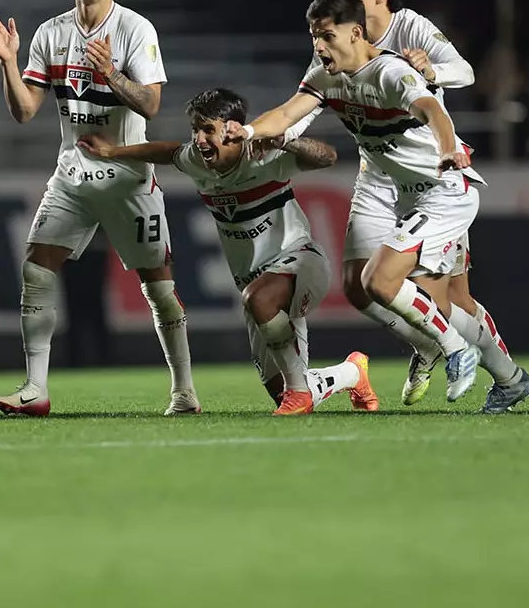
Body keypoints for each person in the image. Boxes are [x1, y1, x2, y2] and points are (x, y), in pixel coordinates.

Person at [237, 0, 529, 414]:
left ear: (356, 32)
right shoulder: (327, 75)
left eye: (325, 36)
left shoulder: (391, 72)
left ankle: (453, 350)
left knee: (385, 283)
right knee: (372, 285)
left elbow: (433, 109)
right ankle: (509, 378)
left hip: (444, 191)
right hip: (398, 194)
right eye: (313, 37)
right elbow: (286, 114)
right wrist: (247, 133)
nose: (318, 46)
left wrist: (450, 149)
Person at [0, 0, 198, 416]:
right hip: (73, 175)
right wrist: (8, 64)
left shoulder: (136, 30)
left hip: (128, 176)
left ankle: (184, 391)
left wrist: (112, 76)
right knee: (36, 268)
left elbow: (152, 104)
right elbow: (24, 111)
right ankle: (35, 389)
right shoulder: (51, 34)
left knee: (160, 289)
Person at [286, 0, 513, 406]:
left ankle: (502, 374)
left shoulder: (410, 27)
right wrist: (270, 135)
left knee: (441, 301)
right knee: (361, 284)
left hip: (430, 169)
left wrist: (432, 70)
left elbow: (464, 72)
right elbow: (302, 106)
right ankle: (432, 346)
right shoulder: (333, 43)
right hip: (377, 170)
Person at [78, 87, 378, 415]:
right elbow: (167, 152)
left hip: (300, 262)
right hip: (255, 283)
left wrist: (282, 140)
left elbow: (326, 157)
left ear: (233, 129)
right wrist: (113, 152)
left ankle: (300, 392)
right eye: (196, 129)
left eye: (209, 129)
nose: (200, 139)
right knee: (281, 391)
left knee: (261, 304)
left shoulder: (263, 154)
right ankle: (352, 373)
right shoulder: (197, 160)